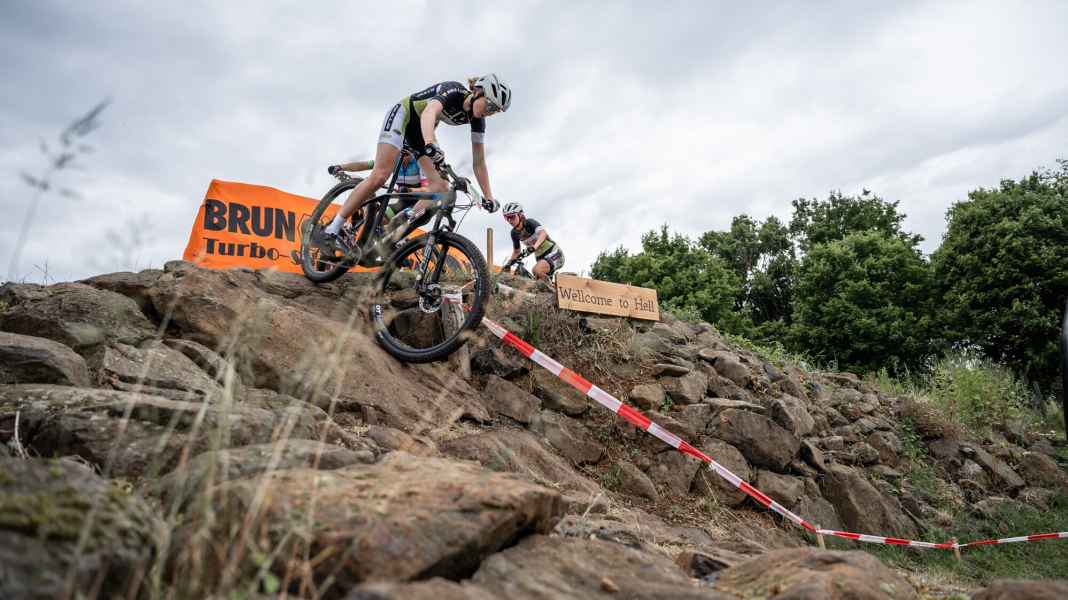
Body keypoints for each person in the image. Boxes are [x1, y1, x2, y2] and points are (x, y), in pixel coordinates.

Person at [319, 75, 511, 257]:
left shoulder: (477, 121)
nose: (489, 111)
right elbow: (429, 112)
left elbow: (479, 162)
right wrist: (430, 143)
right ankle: (331, 230)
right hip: (403, 116)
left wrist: (488, 197)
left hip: (419, 134)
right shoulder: (454, 90)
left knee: (440, 187)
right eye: (489, 104)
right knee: (380, 175)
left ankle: (400, 224)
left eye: (495, 110)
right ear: (478, 91)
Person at [503, 202, 564, 281]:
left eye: (512, 216)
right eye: (506, 218)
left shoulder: (529, 222)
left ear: (520, 215)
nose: (509, 220)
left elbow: (543, 233)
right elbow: (516, 252)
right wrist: (508, 264)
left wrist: (534, 247)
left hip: (554, 253)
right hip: (540, 258)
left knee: (536, 270)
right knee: (538, 280)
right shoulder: (514, 233)